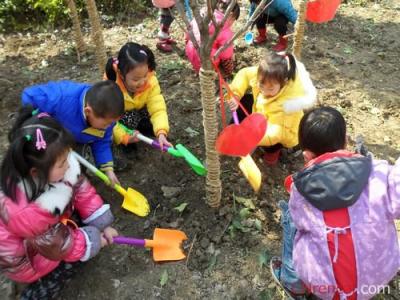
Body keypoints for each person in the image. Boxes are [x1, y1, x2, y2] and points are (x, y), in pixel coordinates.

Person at [271, 107, 400, 300]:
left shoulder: (300, 190)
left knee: (291, 218)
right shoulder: (379, 173)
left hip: (327, 290)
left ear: (306, 156)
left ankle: (293, 281)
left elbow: (301, 223)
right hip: (377, 278)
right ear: (346, 140)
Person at [0, 107, 118, 300]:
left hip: (44, 231)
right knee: (71, 263)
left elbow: (81, 188)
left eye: (67, 157)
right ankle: (33, 293)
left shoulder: (57, 165)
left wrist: (101, 223)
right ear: (36, 173)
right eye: (63, 163)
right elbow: (60, 245)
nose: (69, 165)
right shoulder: (25, 210)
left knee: (77, 223)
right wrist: (92, 241)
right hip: (27, 257)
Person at [21, 80, 124, 185]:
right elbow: (29, 95)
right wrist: (41, 122)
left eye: (112, 123)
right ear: (88, 111)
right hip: (50, 138)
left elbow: (102, 142)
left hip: (74, 139)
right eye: (105, 124)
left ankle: (74, 180)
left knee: (76, 164)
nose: (108, 127)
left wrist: (108, 171)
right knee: (51, 162)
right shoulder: (60, 98)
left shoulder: (106, 119)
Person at [228, 51, 316, 165]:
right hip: (263, 111)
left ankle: (272, 152)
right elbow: (244, 74)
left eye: (270, 89)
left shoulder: (287, 105)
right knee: (244, 100)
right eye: (261, 85)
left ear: (283, 82)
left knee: (273, 143)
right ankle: (233, 132)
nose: (264, 91)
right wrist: (235, 95)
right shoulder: (267, 75)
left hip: (281, 132)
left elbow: (274, 134)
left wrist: (249, 137)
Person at [105, 42, 171, 151]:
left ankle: (145, 128)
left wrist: (161, 132)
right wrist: (123, 136)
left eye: (145, 76)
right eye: (136, 79)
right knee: (129, 118)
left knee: (150, 115)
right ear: (121, 74)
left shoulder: (150, 81)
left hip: (140, 110)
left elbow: (158, 109)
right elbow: (108, 120)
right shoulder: (110, 87)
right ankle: (127, 143)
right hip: (122, 117)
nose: (142, 82)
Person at [185, 0, 240, 78]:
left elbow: (188, 34)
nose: (232, 23)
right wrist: (229, 70)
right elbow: (226, 56)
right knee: (227, 58)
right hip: (206, 64)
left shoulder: (202, 14)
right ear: (230, 15)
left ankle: (197, 68)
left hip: (191, 53)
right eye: (233, 20)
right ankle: (216, 74)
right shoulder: (225, 30)